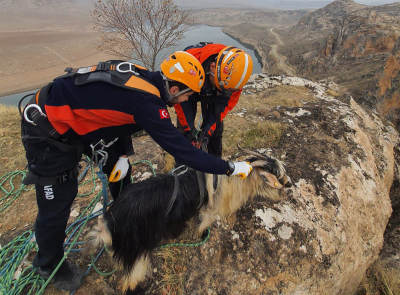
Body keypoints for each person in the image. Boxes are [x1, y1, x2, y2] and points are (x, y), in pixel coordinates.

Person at [20, 51, 253, 292]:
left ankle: (125, 222)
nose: (185, 102)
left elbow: (117, 112)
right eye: (186, 96)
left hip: (81, 123)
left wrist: (122, 155)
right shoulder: (149, 104)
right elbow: (185, 152)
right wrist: (229, 167)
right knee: (57, 202)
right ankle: (49, 265)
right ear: (173, 90)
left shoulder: (144, 76)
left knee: (119, 170)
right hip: (48, 129)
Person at [174, 43, 253, 157]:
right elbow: (181, 103)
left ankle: (214, 162)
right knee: (183, 129)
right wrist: (189, 130)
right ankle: (183, 164)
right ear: (212, 67)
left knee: (216, 128)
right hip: (190, 83)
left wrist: (207, 132)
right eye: (218, 84)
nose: (218, 88)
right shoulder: (188, 63)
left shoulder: (234, 79)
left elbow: (222, 107)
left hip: (212, 90)